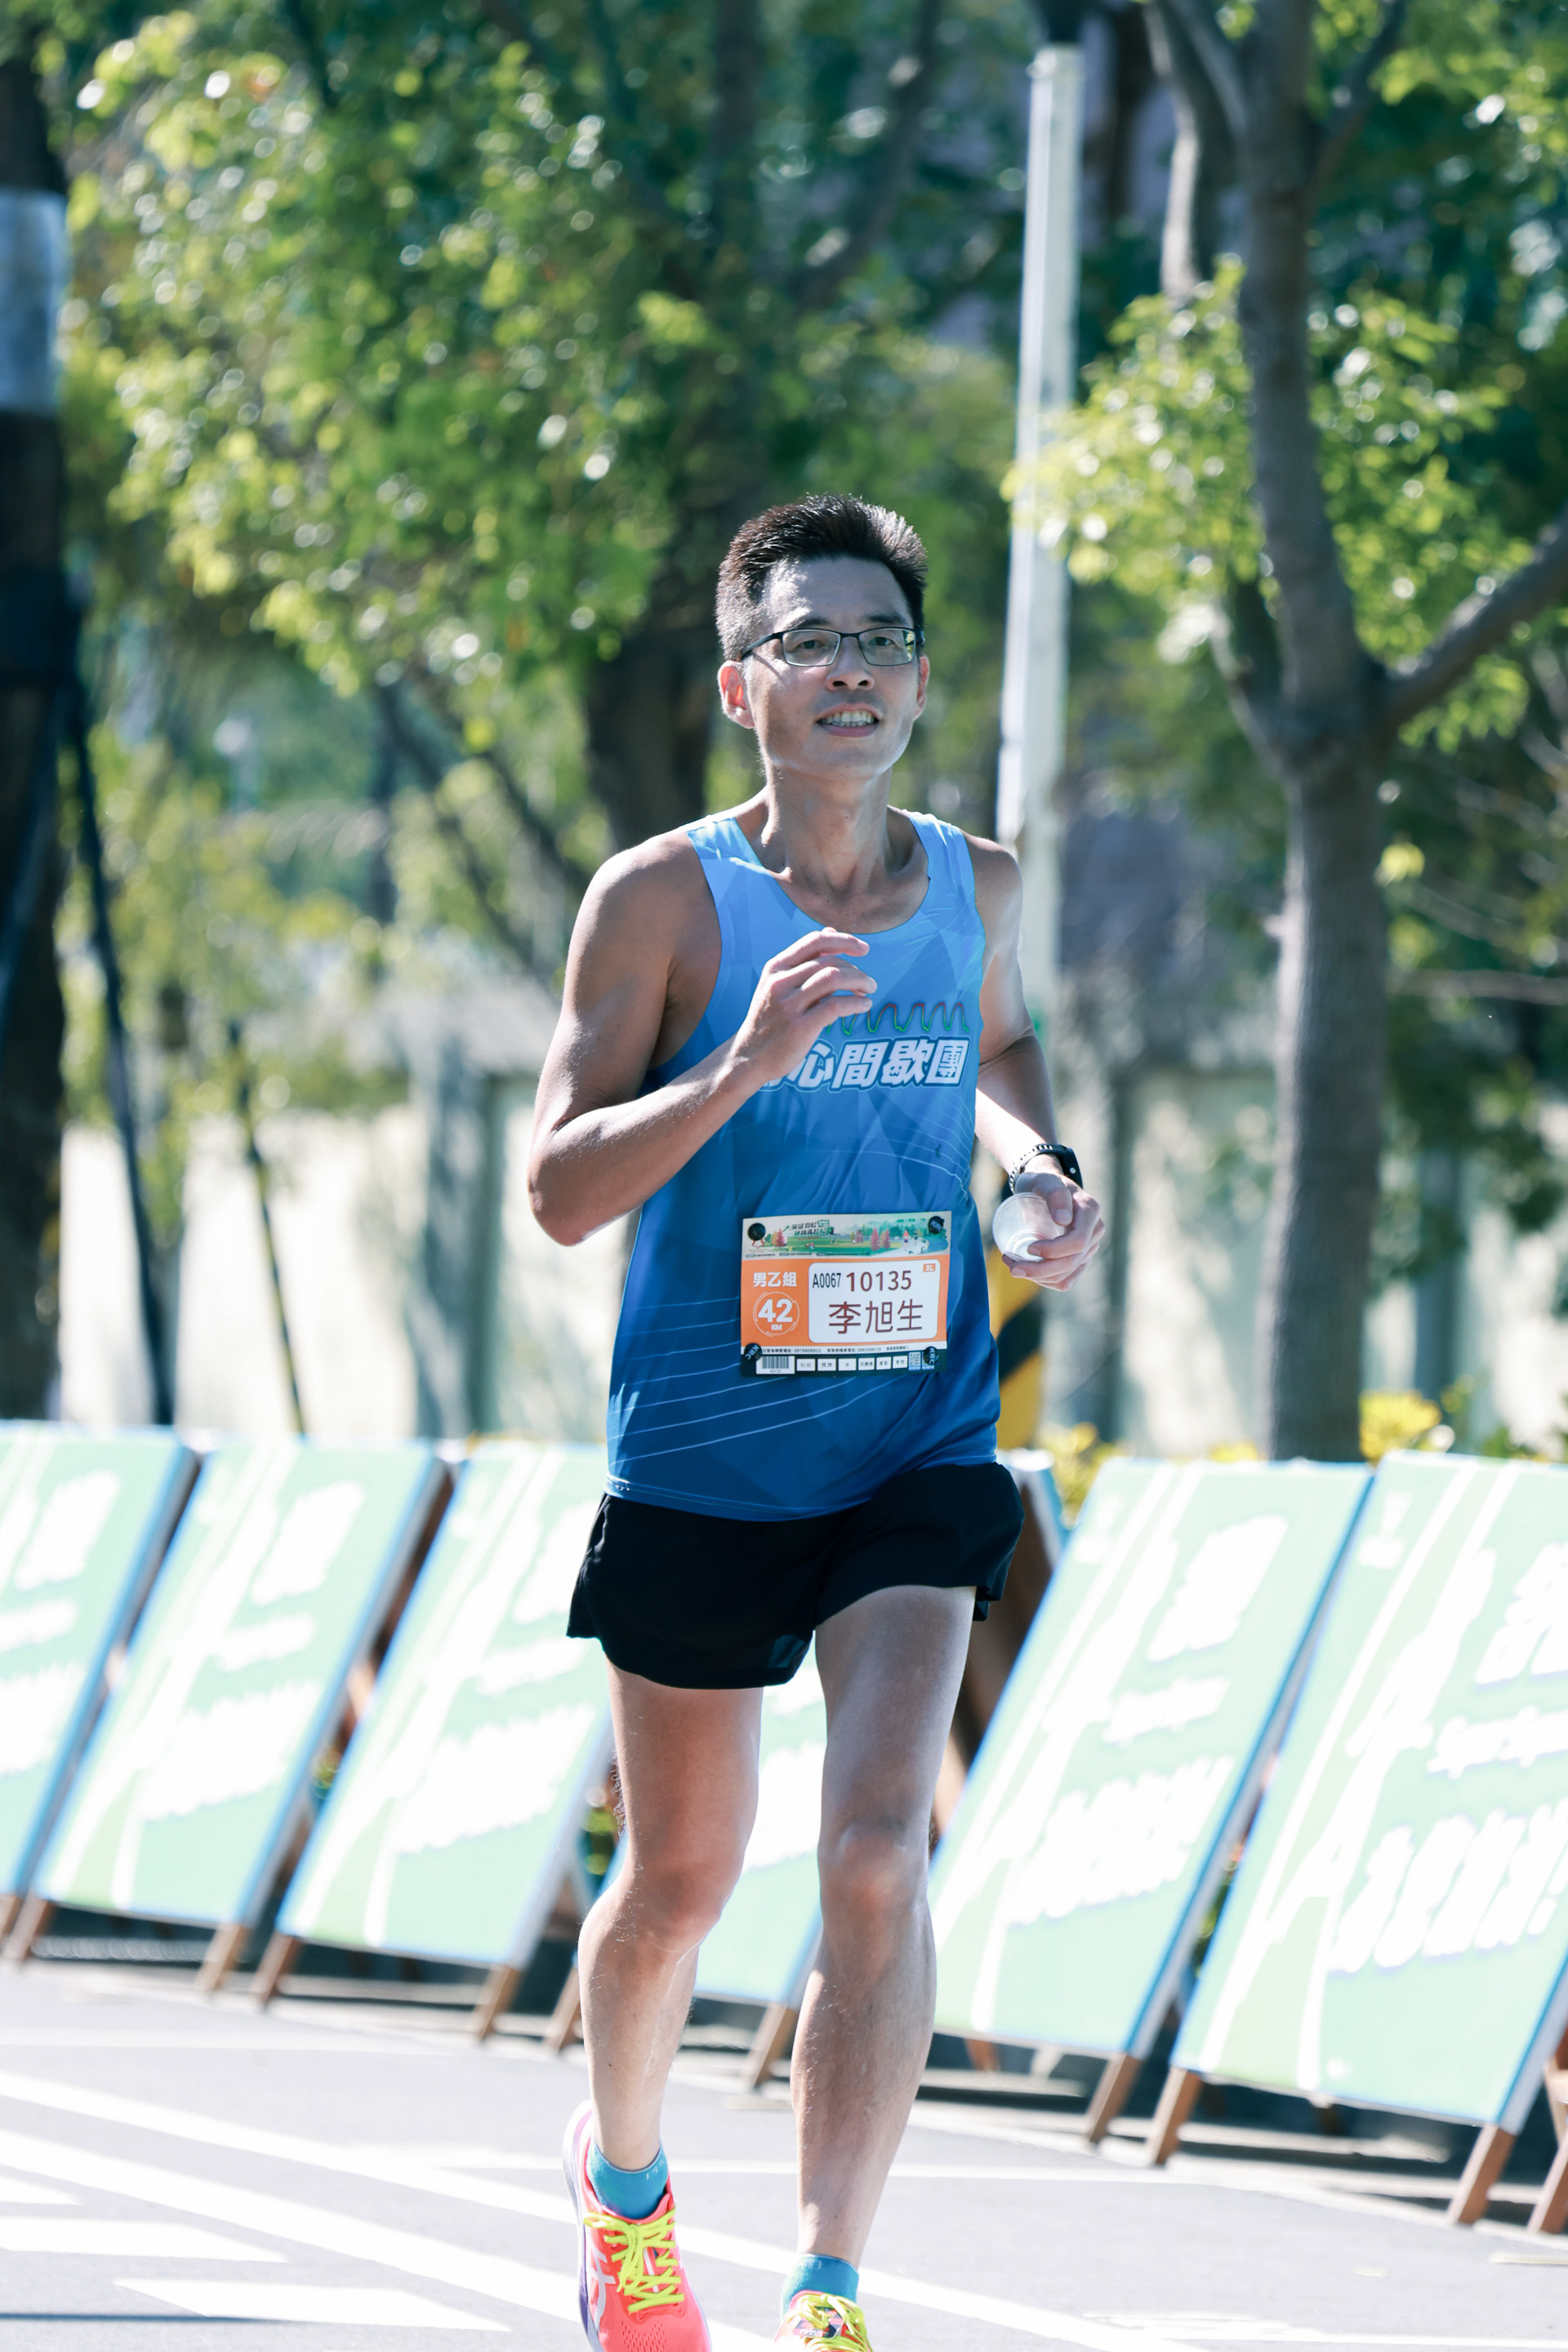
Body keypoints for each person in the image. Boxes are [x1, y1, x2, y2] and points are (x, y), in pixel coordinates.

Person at [528, 493, 1103, 2352]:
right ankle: (626, 2197)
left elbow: (998, 1052)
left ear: (919, 683)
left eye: (882, 643)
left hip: (914, 1438)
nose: (851, 672)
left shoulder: (977, 884)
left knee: (875, 1851)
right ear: (741, 687)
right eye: (810, 643)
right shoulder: (660, 901)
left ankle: (832, 2284)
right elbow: (558, 1188)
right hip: (706, 1459)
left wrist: (1038, 1170)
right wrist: (740, 1065)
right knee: (681, 1882)